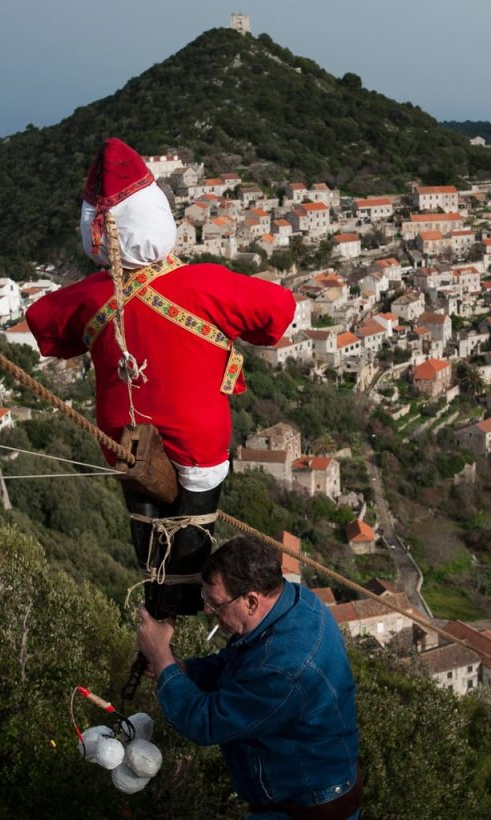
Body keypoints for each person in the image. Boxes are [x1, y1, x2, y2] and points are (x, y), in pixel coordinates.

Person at [27, 138, 295, 618]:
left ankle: (156, 603)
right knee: (193, 525)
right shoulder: (203, 285)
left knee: (145, 518)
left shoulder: (90, 297)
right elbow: (278, 310)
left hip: (123, 435)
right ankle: (187, 605)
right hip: (197, 435)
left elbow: (43, 321)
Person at [136, 536, 362, 819]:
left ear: (252, 601)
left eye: (215, 603)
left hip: (304, 808)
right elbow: (239, 665)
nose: (208, 610)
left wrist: (161, 657)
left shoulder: (283, 670)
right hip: (305, 793)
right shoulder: (296, 601)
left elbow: (205, 722)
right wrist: (184, 670)